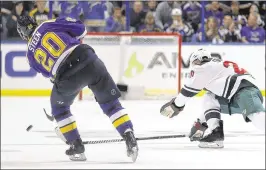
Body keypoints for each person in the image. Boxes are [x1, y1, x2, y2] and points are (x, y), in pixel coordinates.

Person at [16, 16, 138, 162]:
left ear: (22, 33)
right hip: (89, 59)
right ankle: (128, 134)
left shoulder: (29, 55)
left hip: (66, 76)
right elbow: (81, 29)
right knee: (111, 104)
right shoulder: (47, 24)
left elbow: (49, 74)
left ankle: (76, 146)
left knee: (59, 109)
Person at [160, 48, 265, 148]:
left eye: (194, 63)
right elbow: (211, 106)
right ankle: (216, 133)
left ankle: (216, 131)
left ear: (197, 59)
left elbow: (186, 93)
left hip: (244, 91)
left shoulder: (202, 67)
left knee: (257, 117)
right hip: (237, 96)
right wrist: (201, 123)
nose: (194, 66)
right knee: (210, 97)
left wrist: (175, 105)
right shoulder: (215, 66)